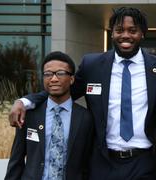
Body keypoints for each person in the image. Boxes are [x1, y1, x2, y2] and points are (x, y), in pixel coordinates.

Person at [8, 7, 156, 180]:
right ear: (111, 34)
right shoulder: (92, 65)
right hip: (103, 162)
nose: (125, 35)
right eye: (119, 30)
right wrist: (24, 101)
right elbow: (63, 90)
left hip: (145, 161)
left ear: (142, 34)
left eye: (132, 31)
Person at [5, 51, 94, 180]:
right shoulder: (30, 115)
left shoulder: (85, 118)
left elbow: (88, 163)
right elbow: (16, 160)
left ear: (72, 79)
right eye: (48, 74)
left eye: (60, 73)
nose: (53, 79)